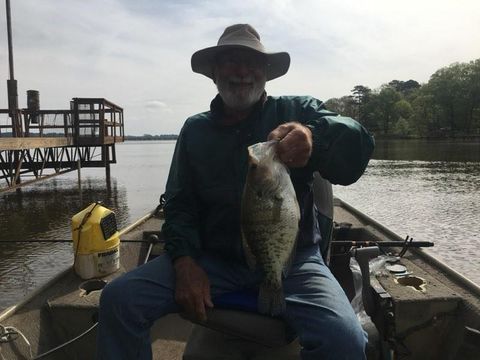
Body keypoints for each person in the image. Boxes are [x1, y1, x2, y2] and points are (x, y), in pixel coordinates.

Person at [97, 24, 375, 360]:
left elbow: (357, 144)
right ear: (214, 73)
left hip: (295, 260)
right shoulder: (195, 130)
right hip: (213, 259)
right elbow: (180, 205)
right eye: (230, 61)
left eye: (252, 63)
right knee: (119, 300)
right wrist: (185, 264)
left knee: (346, 341)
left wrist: (313, 136)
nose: (242, 72)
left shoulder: (297, 111)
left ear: (266, 74)